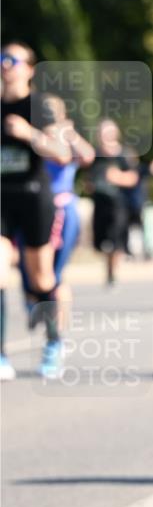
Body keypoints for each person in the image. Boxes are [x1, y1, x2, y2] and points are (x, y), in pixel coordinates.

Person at [1, 42, 71, 380]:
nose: (5, 65)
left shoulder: (39, 105)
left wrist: (28, 133)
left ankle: (54, 343)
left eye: (12, 59)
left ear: (29, 69)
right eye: (2, 59)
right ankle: (1, 356)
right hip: (2, 199)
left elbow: (61, 152)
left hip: (33, 197)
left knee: (42, 278)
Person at [18, 94, 95, 327]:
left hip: (61, 209)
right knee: (29, 273)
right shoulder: (31, 134)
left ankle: (55, 337)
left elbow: (87, 156)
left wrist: (69, 133)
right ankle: (37, 306)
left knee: (55, 276)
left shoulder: (64, 136)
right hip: (31, 206)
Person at [89, 119, 139, 286]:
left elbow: (134, 178)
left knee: (115, 239)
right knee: (103, 241)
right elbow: (89, 178)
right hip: (100, 203)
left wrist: (117, 177)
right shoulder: (95, 155)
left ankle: (113, 272)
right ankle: (109, 269)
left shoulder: (124, 154)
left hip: (118, 204)